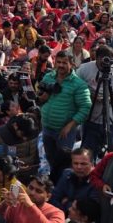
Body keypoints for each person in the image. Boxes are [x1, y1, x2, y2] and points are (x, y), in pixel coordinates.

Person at [36, 50, 92, 178]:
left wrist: (70, 126)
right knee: (50, 159)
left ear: (72, 64)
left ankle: (63, 184)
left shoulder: (79, 84)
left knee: (64, 163)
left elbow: (85, 108)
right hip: (47, 127)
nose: (61, 65)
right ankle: (53, 183)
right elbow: (39, 98)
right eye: (58, 62)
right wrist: (42, 98)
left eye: (64, 63)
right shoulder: (48, 77)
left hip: (64, 132)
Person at [76, 45, 113, 158]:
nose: (105, 63)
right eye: (102, 59)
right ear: (96, 58)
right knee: (87, 154)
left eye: (109, 59)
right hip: (90, 118)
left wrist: (112, 98)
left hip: (111, 120)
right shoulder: (84, 69)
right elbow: (75, 87)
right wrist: (89, 94)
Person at [52, 148, 101, 215]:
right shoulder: (66, 174)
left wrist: (66, 203)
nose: (79, 167)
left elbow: (87, 210)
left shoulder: (97, 182)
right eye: (75, 163)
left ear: (92, 164)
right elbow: (53, 198)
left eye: (83, 164)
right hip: (60, 216)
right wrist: (69, 207)